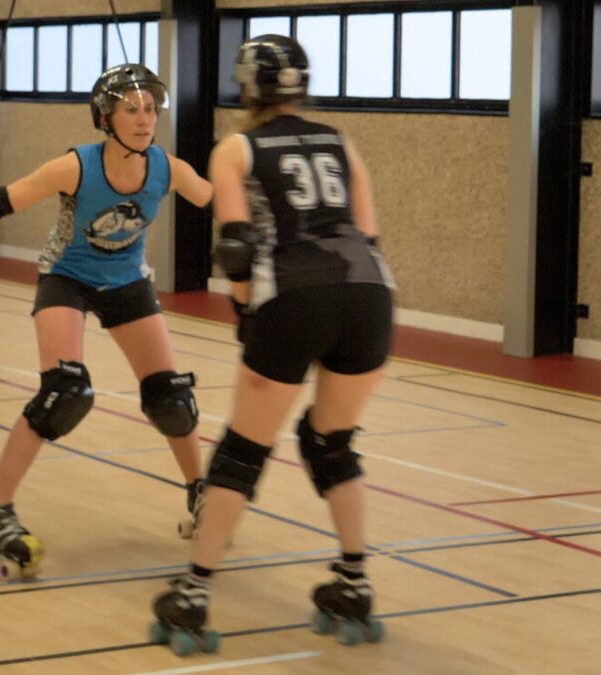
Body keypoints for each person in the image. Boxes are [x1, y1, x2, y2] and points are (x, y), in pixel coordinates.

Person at [0, 64, 214, 580]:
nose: (145, 120)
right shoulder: (78, 166)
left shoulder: (167, 167)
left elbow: (220, 201)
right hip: (68, 277)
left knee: (170, 396)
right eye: (131, 110)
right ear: (105, 117)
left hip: (126, 281)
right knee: (64, 392)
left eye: (150, 110)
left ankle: (202, 495)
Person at [148, 35, 395, 655]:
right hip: (369, 294)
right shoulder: (341, 141)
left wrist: (244, 311)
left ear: (246, 88)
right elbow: (366, 232)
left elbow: (236, 246)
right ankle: (354, 581)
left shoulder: (236, 147)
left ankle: (195, 592)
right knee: (329, 441)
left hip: (294, 293)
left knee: (242, 450)